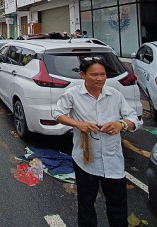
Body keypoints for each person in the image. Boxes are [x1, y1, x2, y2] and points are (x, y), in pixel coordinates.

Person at [52, 57, 141, 227]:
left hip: (113, 159)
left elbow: (133, 119)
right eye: (94, 75)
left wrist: (120, 124)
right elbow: (57, 114)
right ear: (83, 75)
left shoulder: (114, 94)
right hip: (86, 159)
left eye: (103, 74)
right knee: (86, 204)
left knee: (118, 206)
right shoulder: (72, 95)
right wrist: (79, 124)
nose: (100, 78)